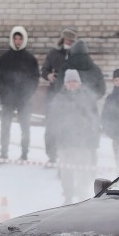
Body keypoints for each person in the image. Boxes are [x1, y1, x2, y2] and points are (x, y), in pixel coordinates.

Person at [47, 69, 100, 204]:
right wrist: (53, 141)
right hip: (65, 143)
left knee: (84, 172)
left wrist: (93, 140)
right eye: (69, 81)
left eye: (74, 81)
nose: (72, 84)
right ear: (65, 83)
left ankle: (83, 196)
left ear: (79, 83)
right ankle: (68, 197)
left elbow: (94, 120)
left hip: (84, 143)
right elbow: (52, 121)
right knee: (67, 173)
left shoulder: (87, 98)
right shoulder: (59, 98)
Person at [0, 26, 40, 162]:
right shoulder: (3, 58)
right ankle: (3, 153)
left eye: (20, 38)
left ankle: (24, 153)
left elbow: (35, 78)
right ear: (12, 39)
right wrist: (3, 91)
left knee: (25, 127)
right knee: (5, 127)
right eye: (15, 38)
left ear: (24, 40)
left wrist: (27, 93)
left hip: (24, 99)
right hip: (7, 99)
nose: (18, 41)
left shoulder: (30, 59)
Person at [41, 29, 78, 163]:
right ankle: (51, 155)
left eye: (71, 40)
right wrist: (48, 76)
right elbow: (44, 70)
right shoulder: (53, 53)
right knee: (51, 125)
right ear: (63, 39)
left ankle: (68, 154)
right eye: (67, 40)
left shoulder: (77, 55)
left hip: (71, 96)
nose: (69, 42)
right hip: (54, 94)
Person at [101, 68, 119, 162]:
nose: (118, 82)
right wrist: (112, 133)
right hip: (117, 137)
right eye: (116, 80)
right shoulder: (110, 98)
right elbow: (105, 117)